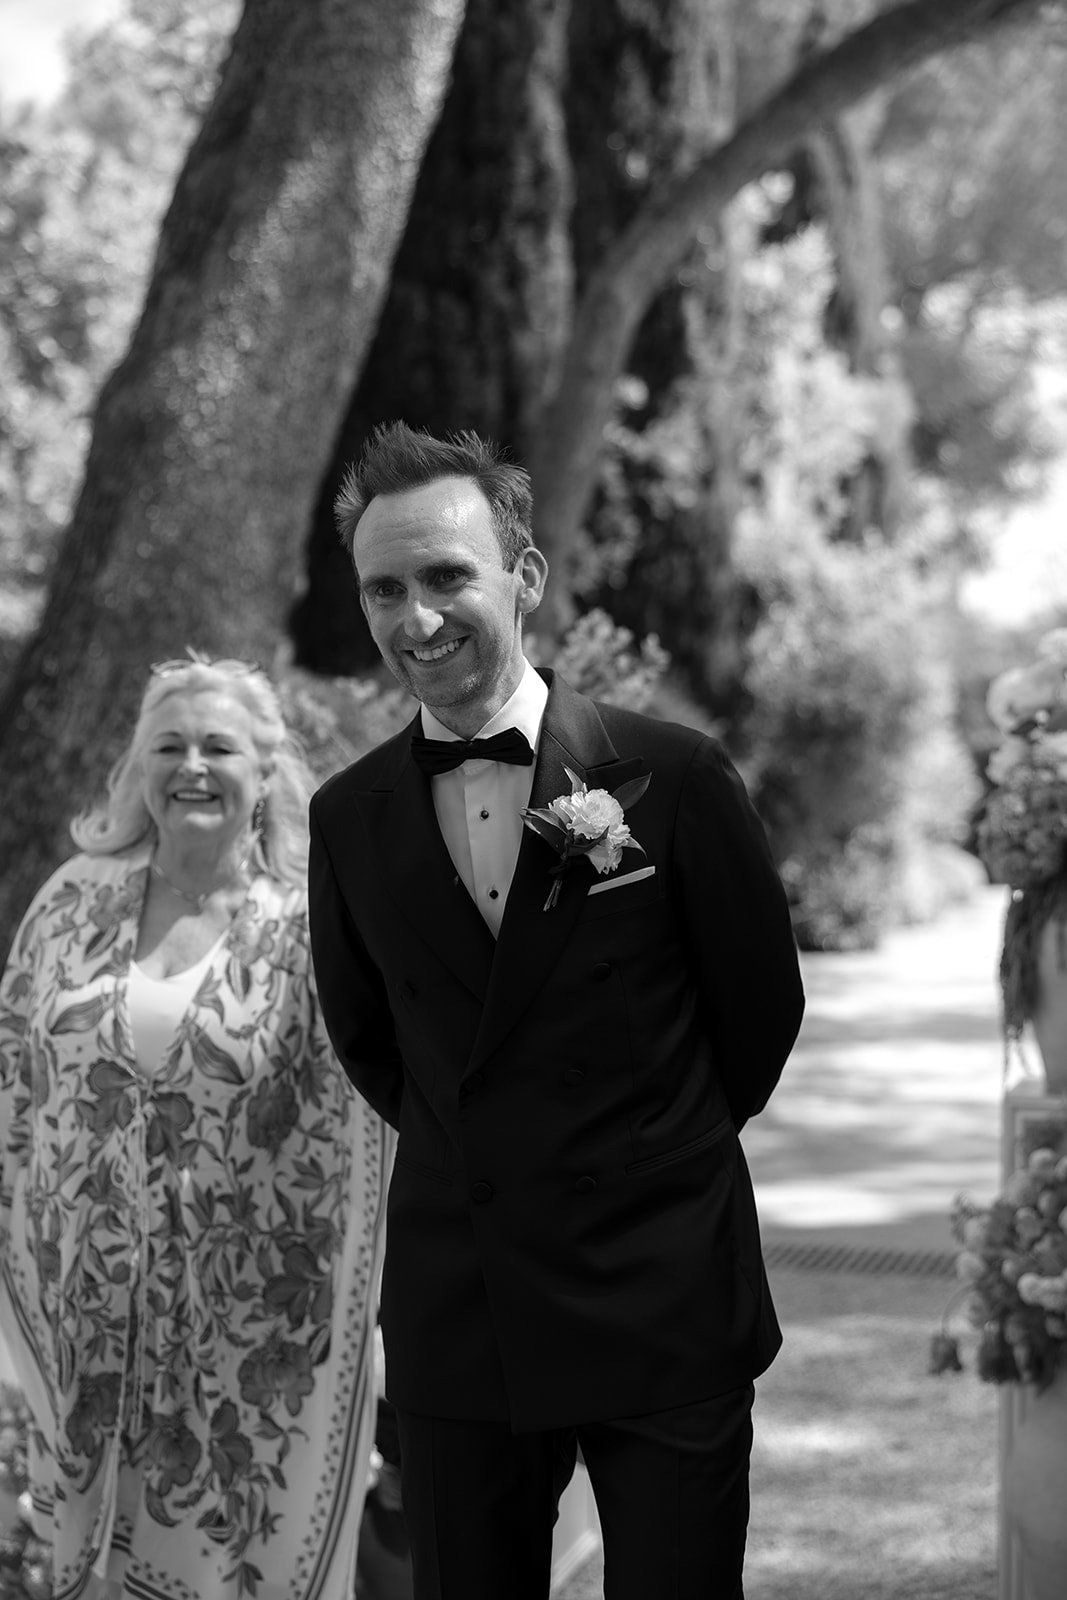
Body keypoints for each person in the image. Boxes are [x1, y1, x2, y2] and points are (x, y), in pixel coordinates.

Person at [308, 423, 805, 1600]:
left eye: (445, 576)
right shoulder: (347, 816)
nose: (415, 618)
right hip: (461, 1305)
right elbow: (374, 1045)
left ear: (522, 575)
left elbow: (758, 1013)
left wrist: (639, 1158)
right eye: (385, 588)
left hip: (661, 1291)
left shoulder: (671, 777)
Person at [0, 655, 391, 1600]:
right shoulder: (71, 900)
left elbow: (367, 1115)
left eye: (219, 747)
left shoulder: (308, 925)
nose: (193, 767)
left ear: (266, 771)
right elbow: (15, 1081)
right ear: (139, 771)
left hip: (242, 1347)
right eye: (168, 746)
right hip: (74, 1325)